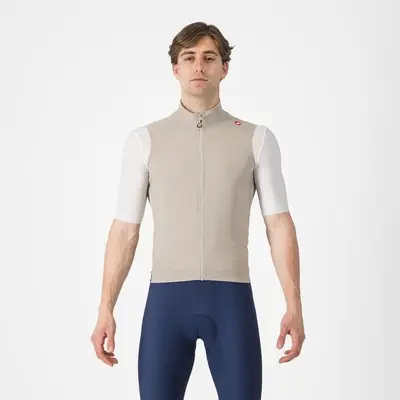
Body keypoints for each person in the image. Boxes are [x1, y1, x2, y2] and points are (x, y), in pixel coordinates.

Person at [91, 21, 305, 399]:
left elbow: (279, 225)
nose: (199, 66)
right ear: (175, 68)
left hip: (232, 304)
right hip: (166, 306)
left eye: (209, 58)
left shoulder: (256, 139)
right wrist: (105, 308)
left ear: (225, 68)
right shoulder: (145, 140)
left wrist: (294, 303)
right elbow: (125, 230)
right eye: (189, 58)